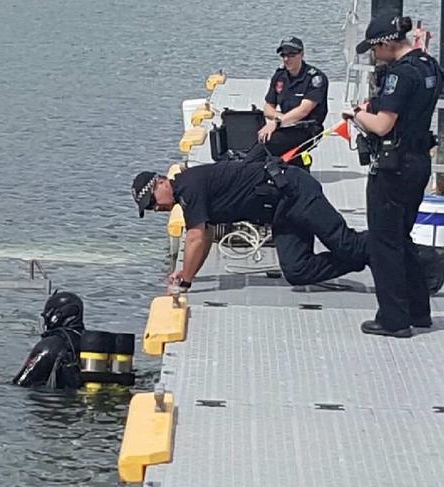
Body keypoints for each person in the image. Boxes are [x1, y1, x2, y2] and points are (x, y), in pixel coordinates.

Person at [342, 14, 443, 338]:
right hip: (418, 163)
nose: (373, 56)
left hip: (394, 166)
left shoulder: (399, 76)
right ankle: (418, 310)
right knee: (402, 237)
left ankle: (393, 320)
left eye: (374, 49)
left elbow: (383, 125)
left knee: (384, 243)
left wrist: (357, 114)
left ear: (386, 43)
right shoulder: (428, 65)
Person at [131, 158, 368, 292]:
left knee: (345, 244)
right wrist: (188, 271)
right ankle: (368, 255)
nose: (156, 208)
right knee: (297, 272)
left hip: (295, 192)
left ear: (161, 182)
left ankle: (385, 246)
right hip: (280, 213)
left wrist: (186, 282)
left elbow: (196, 237)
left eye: (152, 202)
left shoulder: (188, 187)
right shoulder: (188, 195)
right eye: (149, 209)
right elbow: (207, 234)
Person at [244, 37, 329, 169]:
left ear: (302, 54)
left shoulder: (315, 78)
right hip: (285, 124)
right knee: (251, 135)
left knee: (267, 144)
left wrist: (277, 122)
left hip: (306, 129)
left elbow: (304, 110)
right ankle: (294, 162)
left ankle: (245, 169)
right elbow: (268, 108)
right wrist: (280, 119)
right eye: (283, 55)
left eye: (291, 55)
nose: (286, 59)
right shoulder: (280, 76)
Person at [13, 291, 84, 389]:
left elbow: (21, 383)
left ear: (56, 316)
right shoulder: (92, 343)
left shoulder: (49, 346)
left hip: (57, 401)